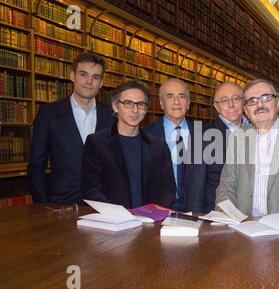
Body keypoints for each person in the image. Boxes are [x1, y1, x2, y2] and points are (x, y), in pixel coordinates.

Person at [215, 79, 279, 217]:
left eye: (266, 98)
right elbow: (226, 186)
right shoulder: (238, 138)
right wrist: (230, 217)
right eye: (252, 101)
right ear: (246, 110)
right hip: (244, 226)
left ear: (277, 103)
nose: (259, 104)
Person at [28, 53, 113, 204]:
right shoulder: (49, 113)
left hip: (102, 205)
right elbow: (36, 166)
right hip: (60, 204)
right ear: (72, 76)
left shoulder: (111, 117)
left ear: (101, 83)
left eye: (95, 77)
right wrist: (42, 206)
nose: (89, 81)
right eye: (83, 74)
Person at [81, 80, 176, 208]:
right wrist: (118, 214)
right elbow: (90, 188)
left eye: (141, 104)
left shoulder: (158, 146)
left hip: (150, 221)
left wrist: (153, 213)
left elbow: (168, 187)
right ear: (115, 106)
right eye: (128, 103)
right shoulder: (97, 143)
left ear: (146, 109)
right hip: (112, 222)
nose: (135, 110)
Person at [143, 78, 206, 213]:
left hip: (197, 208)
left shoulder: (204, 134)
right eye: (170, 96)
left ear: (188, 103)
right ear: (161, 103)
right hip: (159, 208)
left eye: (181, 96)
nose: (176, 102)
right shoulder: (145, 135)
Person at [204, 82, 249, 212]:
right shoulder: (202, 135)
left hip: (254, 213)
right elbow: (197, 183)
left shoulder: (259, 130)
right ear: (216, 107)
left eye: (236, 99)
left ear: (244, 102)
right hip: (218, 211)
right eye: (224, 100)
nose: (231, 105)